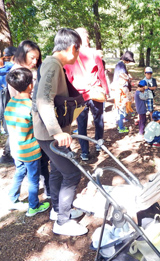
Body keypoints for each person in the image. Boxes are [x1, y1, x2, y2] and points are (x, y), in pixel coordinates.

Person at [32, 28, 87, 236]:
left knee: (57, 170)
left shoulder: (52, 64)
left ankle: (58, 211)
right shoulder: (53, 65)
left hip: (45, 131)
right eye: (78, 49)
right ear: (73, 47)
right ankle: (63, 222)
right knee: (72, 172)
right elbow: (43, 99)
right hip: (49, 133)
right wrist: (56, 132)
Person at [4, 68, 50, 216]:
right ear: (31, 85)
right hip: (30, 150)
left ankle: (12, 199)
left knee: (20, 172)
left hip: (16, 149)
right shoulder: (30, 106)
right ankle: (33, 206)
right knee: (33, 179)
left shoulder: (11, 102)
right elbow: (40, 126)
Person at [8, 40, 51, 199]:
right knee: (39, 162)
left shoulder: (27, 71)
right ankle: (42, 194)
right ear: (22, 54)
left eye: (36, 59)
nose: (34, 62)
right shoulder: (18, 74)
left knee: (39, 163)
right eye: (32, 58)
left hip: (28, 128)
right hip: (30, 129)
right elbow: (24, 103)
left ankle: (45, 187)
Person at [64, 28, 109, 161]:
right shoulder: (94, 54)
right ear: (86, 38)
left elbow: (69, 78)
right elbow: (101, 73)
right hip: (95, 92)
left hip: (79, 95)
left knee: (81, 124)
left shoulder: (70, 56)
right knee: (98, 120)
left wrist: (71, 96)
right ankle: (98, 143)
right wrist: (105, 90)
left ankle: (84, 152)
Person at [0, 47, 17, 164]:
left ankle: (7, 154)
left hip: (3, 99)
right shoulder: (12, 68)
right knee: (14, 127)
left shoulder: (2, 66)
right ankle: (7, 154)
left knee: (11, 126)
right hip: (10, 98)